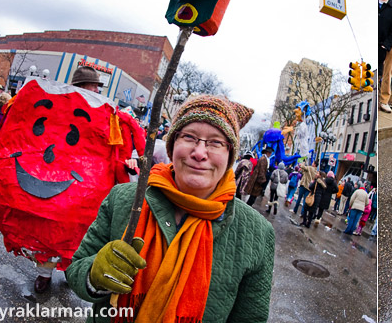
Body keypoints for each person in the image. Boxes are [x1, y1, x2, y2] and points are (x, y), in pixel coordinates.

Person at [66, 95, 273, 322]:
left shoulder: (257, 234)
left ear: (230, 154)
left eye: (215, 142)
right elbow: (76, 269)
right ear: (173, 143)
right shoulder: (124, 198)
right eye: (189, 137)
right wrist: (94, 275)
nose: (200, 153)